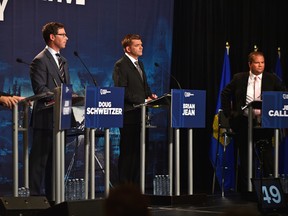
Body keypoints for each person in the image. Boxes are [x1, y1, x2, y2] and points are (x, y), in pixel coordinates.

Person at [221, 51, 286, 193]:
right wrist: (229, 114)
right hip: (244, 122)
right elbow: (225, 93)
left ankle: (268, 188)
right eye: (257, 62)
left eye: (262, 62)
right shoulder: (239, 78)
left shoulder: (272, 79)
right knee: (245, 157)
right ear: (250, 64)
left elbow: (283, 95)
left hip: (265, 123)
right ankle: (248, 190)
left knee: (267, 157)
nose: (260, 65)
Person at [29, 22, 72, 200]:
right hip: (45, 119)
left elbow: (66, 88)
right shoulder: (39, 60)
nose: (66, 38)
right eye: (63, 34)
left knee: (55, 164)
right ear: (52, 37)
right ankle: (35, 200)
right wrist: (59, 95)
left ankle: (54, 200)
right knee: (40, 163)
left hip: (60, 119)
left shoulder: (64, 61)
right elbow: (40, 89)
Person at [113, 34, 157, 185]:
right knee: (128, 152)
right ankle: (124, 186)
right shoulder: (121, 65)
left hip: (142, 115)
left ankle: (136, 185)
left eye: (141, 44)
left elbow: (143, 86)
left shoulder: (140, 64)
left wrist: (150, 96)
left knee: (140, 152)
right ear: (128, 48)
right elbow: (122, 91)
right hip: (129, 115)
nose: (141, 47)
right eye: (137, 45)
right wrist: (143, 100)